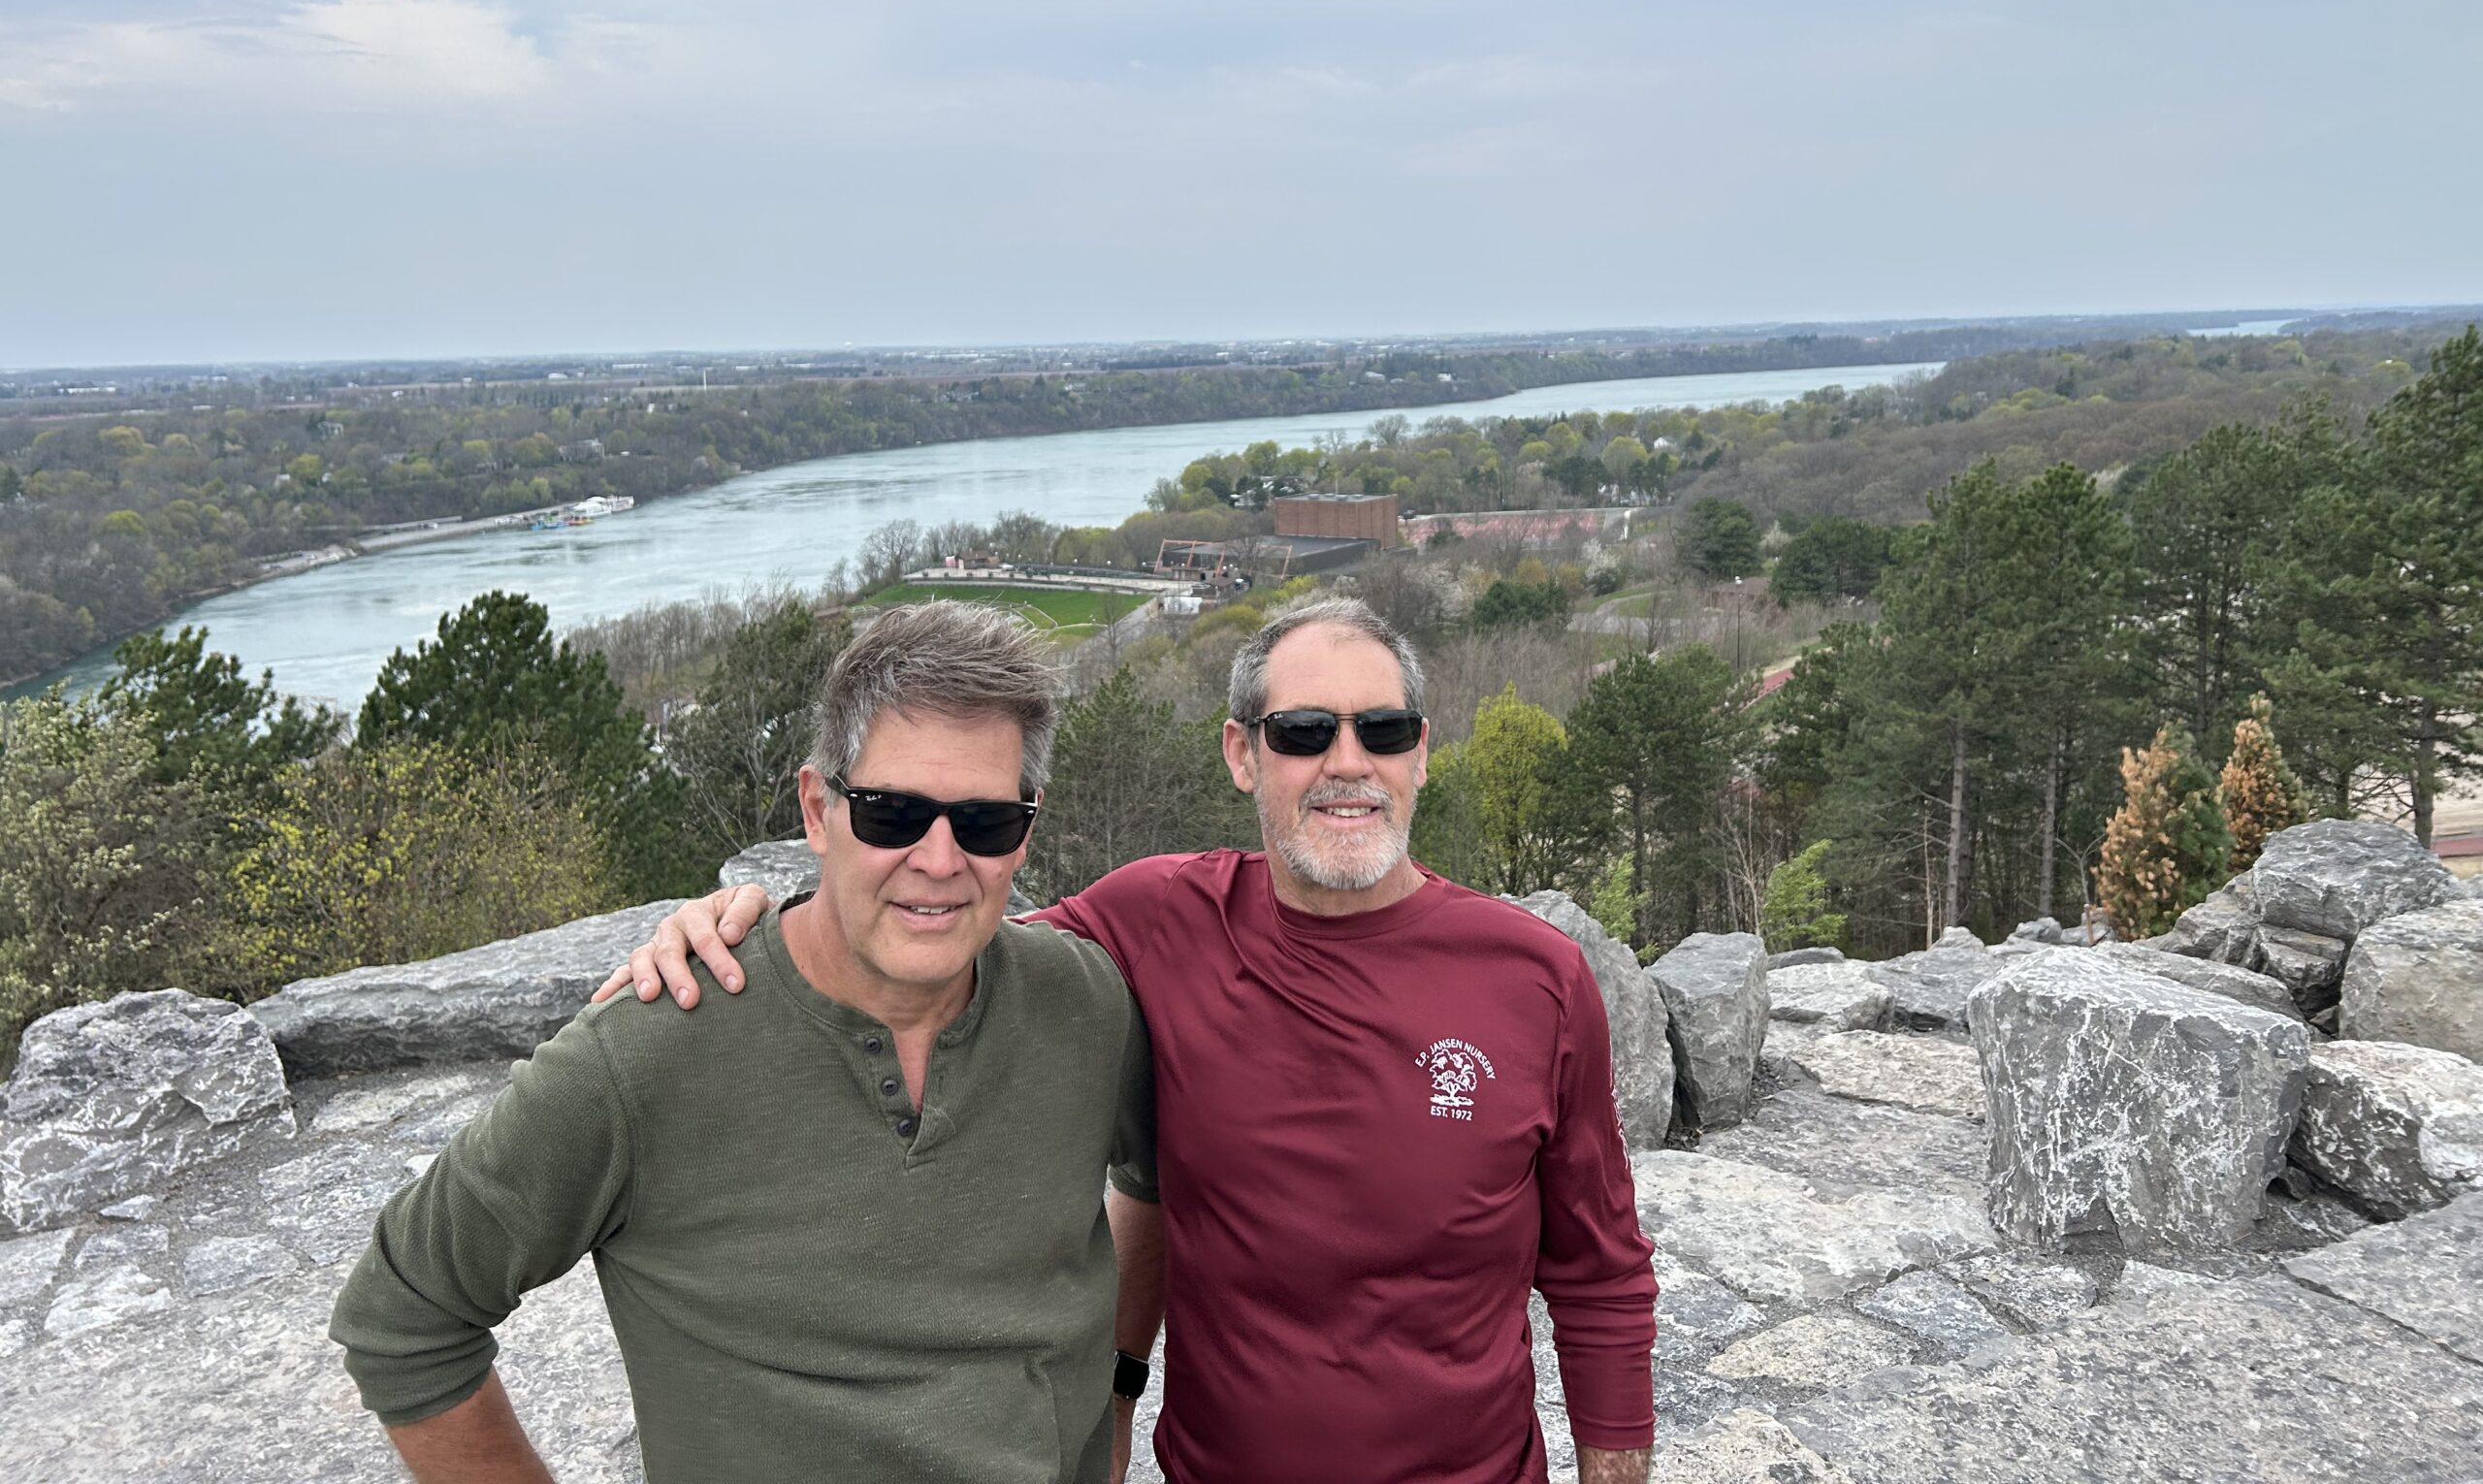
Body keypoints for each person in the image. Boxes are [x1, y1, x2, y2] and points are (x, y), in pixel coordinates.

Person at [603, 597, 1658, 1484]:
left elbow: (1600, 1277)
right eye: (1302, 733)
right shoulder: (1159, 922)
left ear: (1420, 753)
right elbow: (931, 929)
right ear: (1243, 755)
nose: (1348, 763)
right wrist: (750, 913)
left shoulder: (1533, 978)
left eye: (1382, 731)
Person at [332, 601, 1156, 1484]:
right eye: (891, 813)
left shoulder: (1086, 1007)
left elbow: (1153, 1184)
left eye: (986, 822)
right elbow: (404, 1316)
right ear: (817, 809)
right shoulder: (650, 1054)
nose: (941, 859)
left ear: (1026, 830)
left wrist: (1115, 1394)